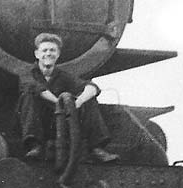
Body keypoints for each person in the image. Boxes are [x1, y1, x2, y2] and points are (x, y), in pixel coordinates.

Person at [17, 33, 118, 162]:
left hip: (59, 123)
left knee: (89, 99)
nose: (48, 53)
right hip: (35, 123)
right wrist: (61, 103)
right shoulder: (27, 73)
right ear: (37, 54)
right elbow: (36, 89)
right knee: (28, 96)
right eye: (45, 50)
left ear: (58, 54)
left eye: (52, 50)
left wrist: (80, 101)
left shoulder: (63, 75)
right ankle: (34, 146)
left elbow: (91, 86)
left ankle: (96, 148)